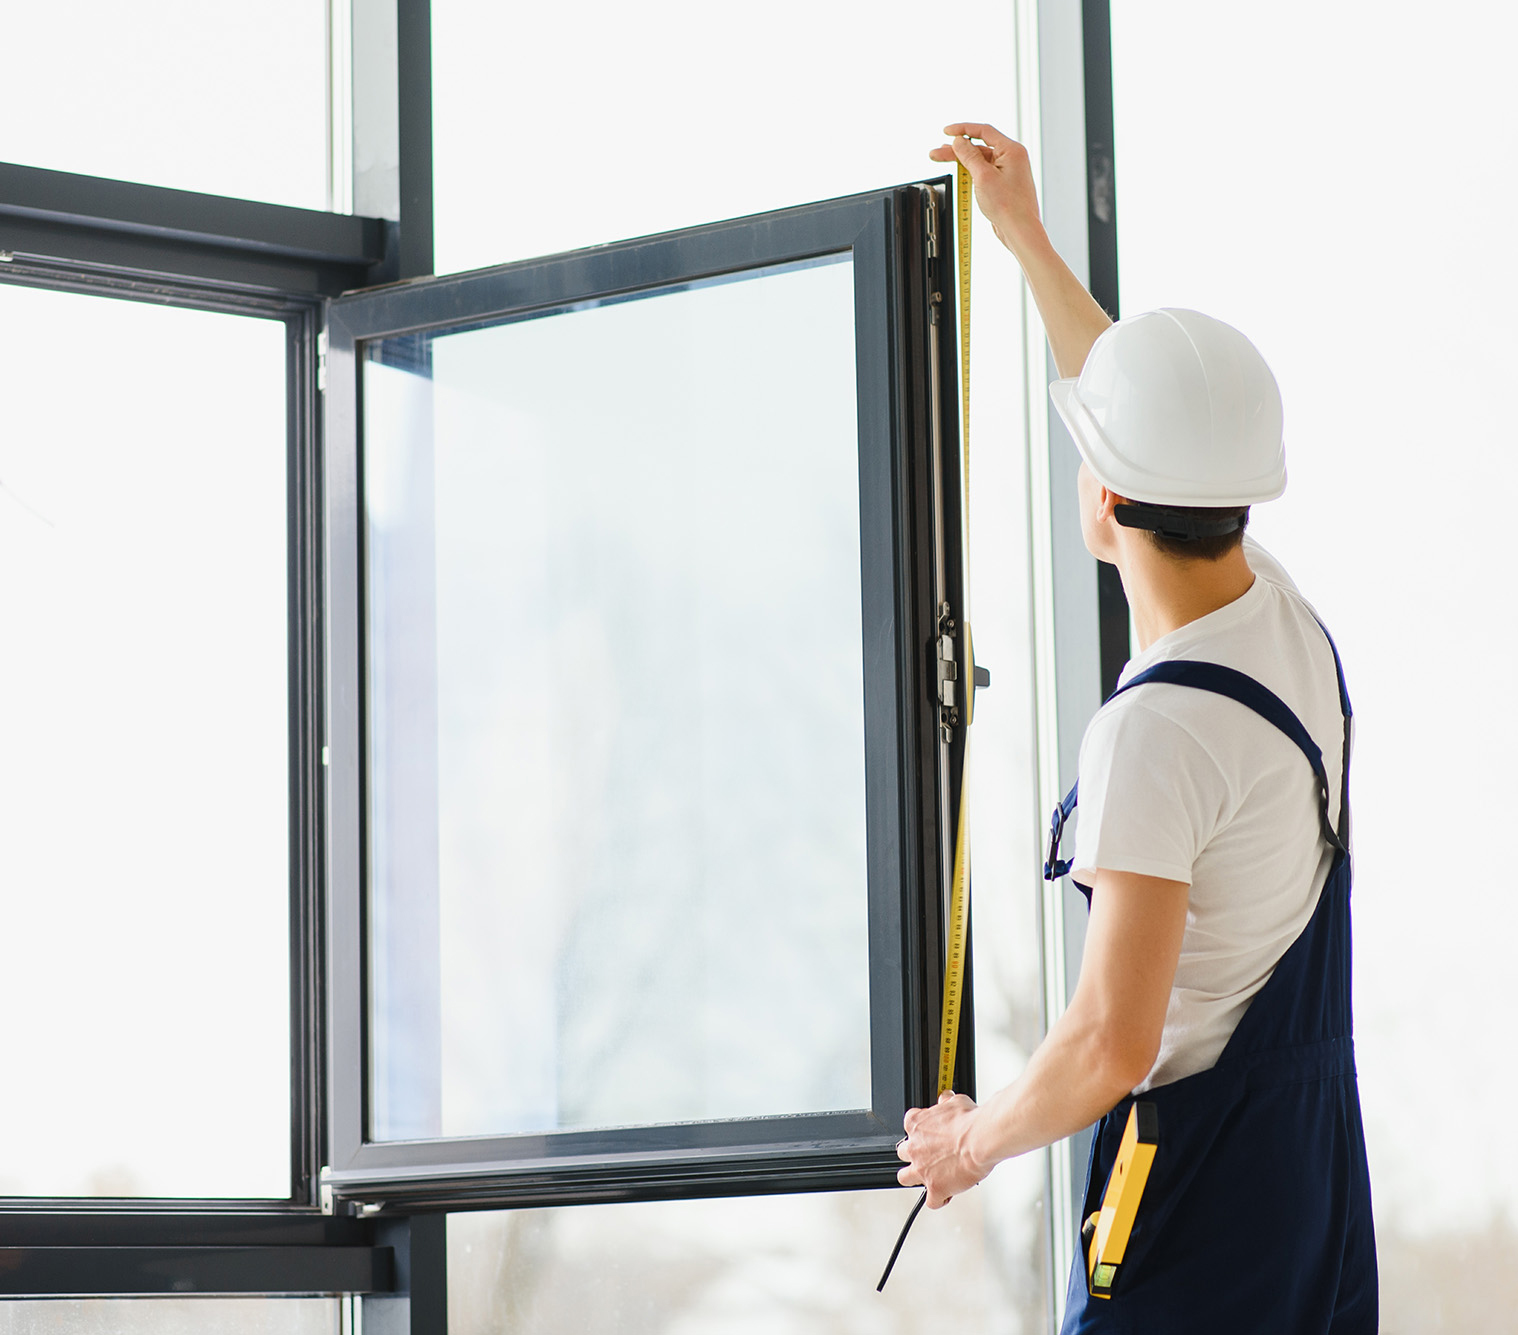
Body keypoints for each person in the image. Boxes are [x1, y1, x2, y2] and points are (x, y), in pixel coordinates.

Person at [895, 123, 1377, 1332]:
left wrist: (971, 1144)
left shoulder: (1153, 734)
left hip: (1199, 1201)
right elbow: (1157, 413)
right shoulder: (1279, 616)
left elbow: (1113, 1041)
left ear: (1105, 502)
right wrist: (1026, 240)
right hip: (1313, 1183)